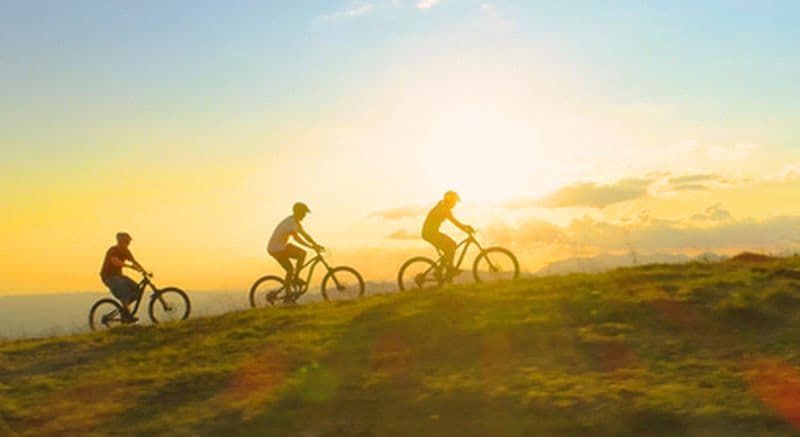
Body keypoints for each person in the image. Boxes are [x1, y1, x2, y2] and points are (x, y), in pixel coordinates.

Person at [267, 202, 324, 291]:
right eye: (304, 213)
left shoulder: (295, 222)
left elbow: (305, 235)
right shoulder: (291, 223)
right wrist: (311, 247)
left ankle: (294, 279)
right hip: (276, 249)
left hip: (280, 247)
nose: (304, 216)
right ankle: (290, 290)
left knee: (297, 260)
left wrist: (315, 245)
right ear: (299, 212)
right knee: (293, 265)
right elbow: (297, 239)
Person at [422, 191, 474, 281]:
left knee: (449, 248)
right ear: (449, 200)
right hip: (430, 234)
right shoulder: (443, 209)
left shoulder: (443, 207)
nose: (454, 205)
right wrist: (466, 228)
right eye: (454, 202)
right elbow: (455, 222)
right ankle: (449, 270)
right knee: (452, 246)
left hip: (431, 233)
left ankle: (443, 271)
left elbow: (455, 222)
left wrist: (465, 227)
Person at [100, 232, 146, 323]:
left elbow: (134, 262)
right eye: (126, 242)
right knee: (124, 290)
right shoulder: (113, 250)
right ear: (121, 242)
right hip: (109, 277)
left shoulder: (126, 251)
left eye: (128, 242)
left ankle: (124, 309)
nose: (128, 244)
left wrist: (144, 271)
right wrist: (129, 266)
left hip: (119, 276)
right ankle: (126, 315)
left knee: (137, 290)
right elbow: (116, 262)